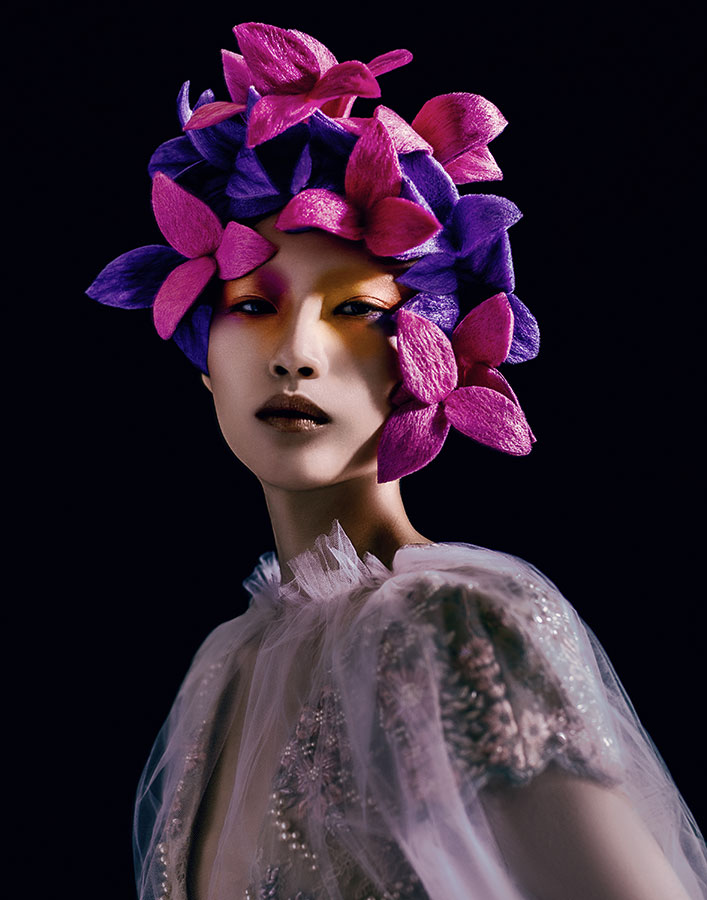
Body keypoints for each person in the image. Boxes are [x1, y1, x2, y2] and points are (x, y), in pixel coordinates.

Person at [87, 21, 707, 900]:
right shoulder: (223, 673)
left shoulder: (450, 626)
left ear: (430, 358)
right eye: (254, 304)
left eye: (356, 311)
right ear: (202, 360)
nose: (294, 354)